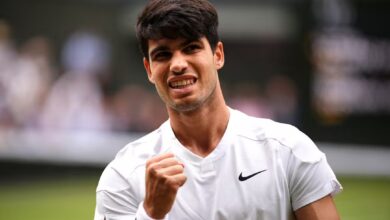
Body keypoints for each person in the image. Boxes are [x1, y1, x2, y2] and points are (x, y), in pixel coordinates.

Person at [94, 0, 342, 219]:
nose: (178, 64)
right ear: (149, 70)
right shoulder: (124, 175)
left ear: (218, 55)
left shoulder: (287, 150)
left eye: (191, 48)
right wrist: (150, 214)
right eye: (163, 55)